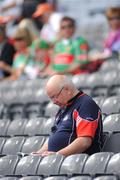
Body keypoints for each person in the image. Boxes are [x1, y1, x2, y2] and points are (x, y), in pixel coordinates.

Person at [33, 74, 103, 156]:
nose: (53, 102)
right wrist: (39, 154)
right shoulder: (63, 108)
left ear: (67, 90)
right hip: (58, 162)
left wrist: (58, 155)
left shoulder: (85, 104)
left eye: (55, 97)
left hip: (78, 162)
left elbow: (84, 141)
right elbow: (53, 137)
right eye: (51, 98)